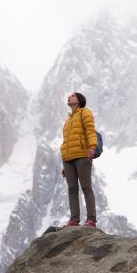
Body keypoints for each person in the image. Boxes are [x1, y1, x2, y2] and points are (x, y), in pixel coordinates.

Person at [60, 92, 98, 228]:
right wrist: (65, 164)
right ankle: (74, 220)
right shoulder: (68, 120)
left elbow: (90, 131)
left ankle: (91, 220)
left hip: (83, 155)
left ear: (79, 101)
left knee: (86, 187)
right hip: (68, 158)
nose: (69, 97)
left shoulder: (85, 113)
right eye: (69, 96)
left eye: (73, 96)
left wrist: (92, 147)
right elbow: (67, 141)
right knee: (72, 189)